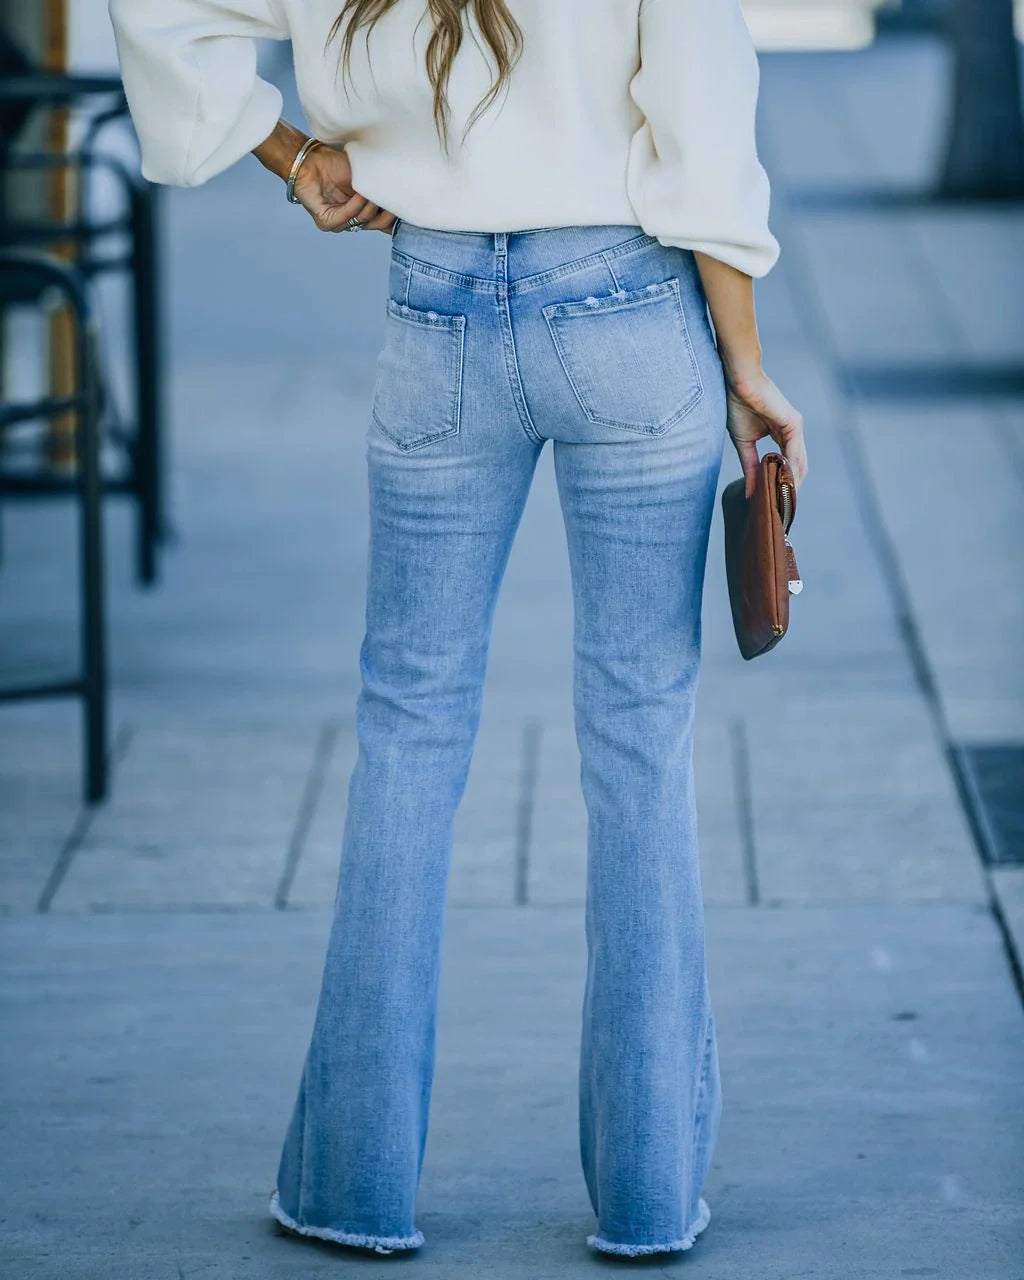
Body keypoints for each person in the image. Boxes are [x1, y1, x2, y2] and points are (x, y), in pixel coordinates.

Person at [108, 0, 808, 1260]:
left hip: (431, 306)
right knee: (641, 743)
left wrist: (287, 150)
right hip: (632, 307)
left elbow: (160, 9)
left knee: (408, 736)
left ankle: (348, 1188)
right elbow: (701, 118)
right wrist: (745, 364)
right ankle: (649, 1198)